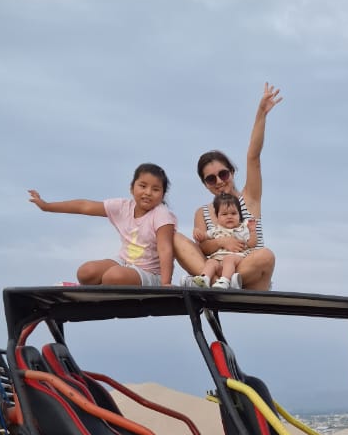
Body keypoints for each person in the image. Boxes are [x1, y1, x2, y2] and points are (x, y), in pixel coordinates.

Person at [174, 82, 281, 291]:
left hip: (246, 272)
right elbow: (204, 247)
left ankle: (217, 281)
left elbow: (253, 157)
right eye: (211, 179)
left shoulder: (248, 198)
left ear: (231, 172)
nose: (219, 181)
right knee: (174, 237)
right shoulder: (203, 212)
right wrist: (223, 242)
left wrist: (261, 113)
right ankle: (216, 282)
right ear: (205, 184)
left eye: (223, 174)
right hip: (215, 267)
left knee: (266, 255)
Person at [28, 163, 177, 286]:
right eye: (143, 186)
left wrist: (165, 284)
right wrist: (47, 206)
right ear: (132, 188)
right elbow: (84, 206)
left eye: (155, 189)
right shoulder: (123, 207)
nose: (148, 192)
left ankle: (102, 287)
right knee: (86, 272)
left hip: (150, 273)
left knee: (113, 276)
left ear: (163, 195)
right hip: (124, 262)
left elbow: (165, 249)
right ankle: (84, 287)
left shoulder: (161, 214)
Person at [197, 193, 257, 290]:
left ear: (239, 215)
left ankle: (225, 281)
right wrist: (198, 234)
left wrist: (252, 231)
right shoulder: (216, 229)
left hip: (237, 259)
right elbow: (203, 237)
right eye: (224, 214)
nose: (229, 216)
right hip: (219, 261)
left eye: (233, 213)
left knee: (229, 259)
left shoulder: (242, 228)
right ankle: (204, 279)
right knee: (211, 262)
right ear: (217, 217)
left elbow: (252, 244)